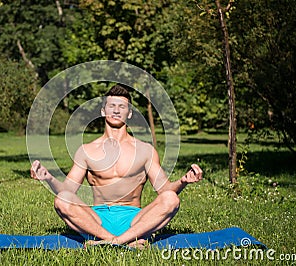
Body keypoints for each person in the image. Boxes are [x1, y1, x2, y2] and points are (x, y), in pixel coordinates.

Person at [30, 84, 203, 248]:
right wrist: (49, 178)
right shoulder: (86, 150)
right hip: (96, 220)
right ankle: (122, 240)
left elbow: (165, 190)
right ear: (103, 111)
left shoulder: (145, 150)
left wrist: (183, 181)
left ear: (129, 113)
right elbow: (67, 189)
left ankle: (110, 241)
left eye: (122, 107)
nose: (116, 110)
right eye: (112, 106)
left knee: (171, 199)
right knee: (62, 200)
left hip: (135, 221)